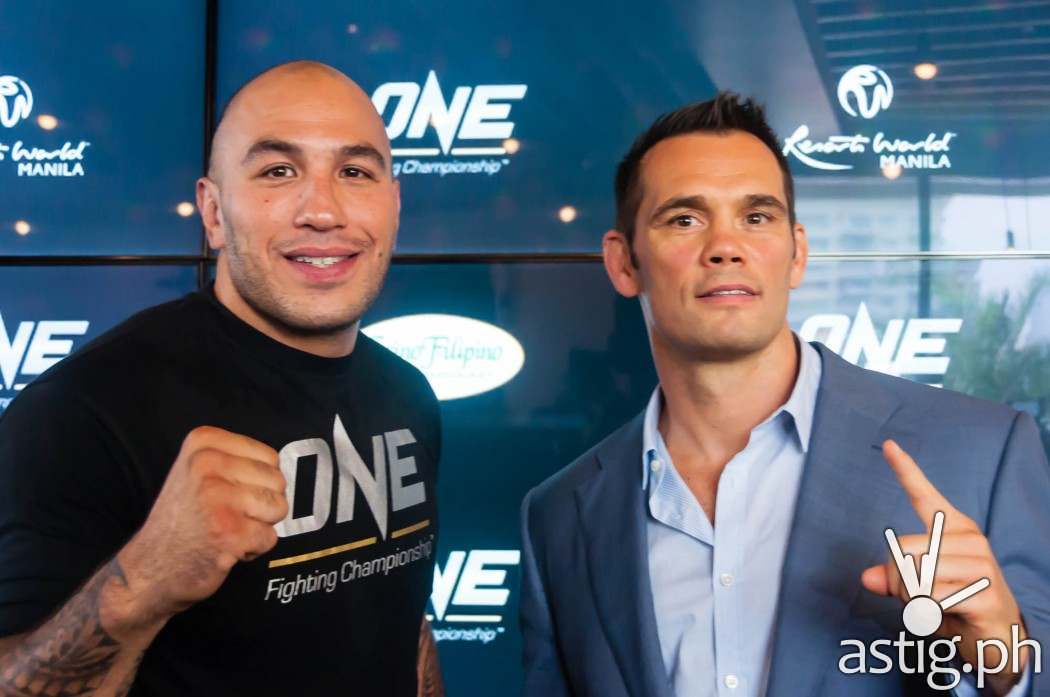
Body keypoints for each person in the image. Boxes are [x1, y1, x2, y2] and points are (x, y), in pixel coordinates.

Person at [519, 92, 1050, 697]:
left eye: (756, 216)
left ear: (796, 252)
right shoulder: (557, 515)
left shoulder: (984, 452)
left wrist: (1009, 662)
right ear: (623, 263)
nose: (725, 246)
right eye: (685, 219)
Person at [0, 61, 443, 696]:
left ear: (393, 205)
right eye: (278, 171)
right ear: (212, 212)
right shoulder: (81, 411)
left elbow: (405, 626)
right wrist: (143, 585)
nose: (323, 210)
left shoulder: (408, 394)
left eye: (354, 171)